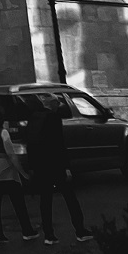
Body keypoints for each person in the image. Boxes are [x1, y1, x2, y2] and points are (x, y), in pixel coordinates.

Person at [25, 94, 92, 245]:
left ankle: (49, 235)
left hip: (40, 166)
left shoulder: (34, 118)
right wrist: (66, 167)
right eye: (58, 103)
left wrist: (32, 166)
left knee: (46, 200)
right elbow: (58, 144)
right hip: (55, 165)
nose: (59, 106)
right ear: (53, 104)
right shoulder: (53, 118)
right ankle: (80, 230)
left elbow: (30, 143)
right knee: (70, 198)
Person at [0, 96, 38, 244]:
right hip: (7, 172)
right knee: (19, 203)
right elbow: (11, 155)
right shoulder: (3, 132)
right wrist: (23, 173)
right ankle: (27, 231)